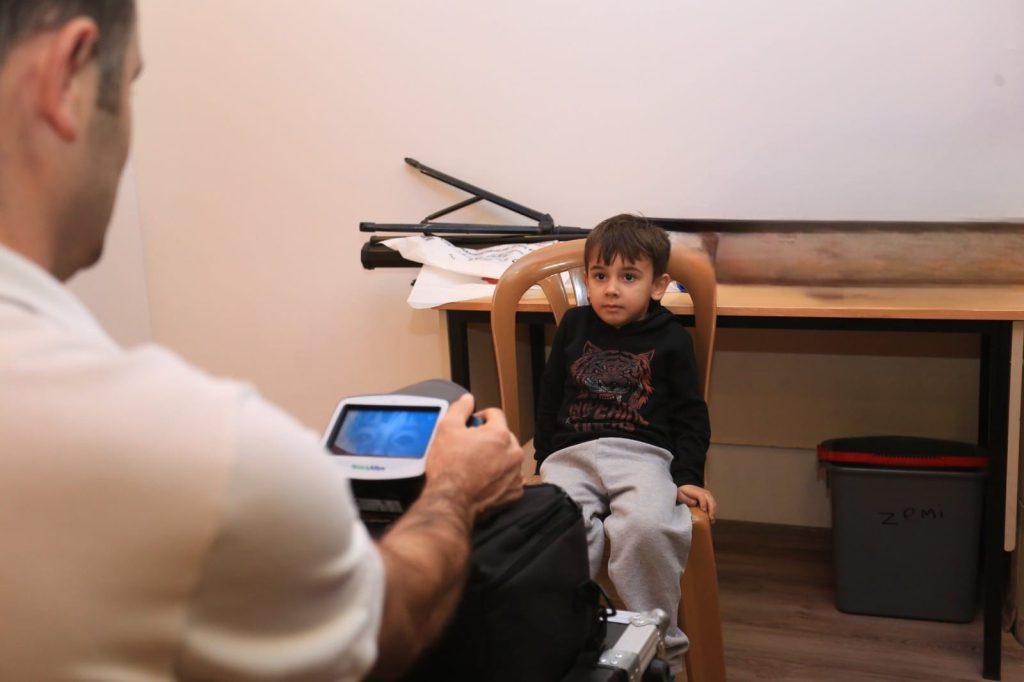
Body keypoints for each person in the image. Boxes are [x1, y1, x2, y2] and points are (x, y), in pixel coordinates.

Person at [0, 1, 523, 679]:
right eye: (129, 88)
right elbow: (385, 625)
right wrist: (455, 489)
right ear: (65, 79)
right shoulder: (208, 454)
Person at [534, 213, 716, 666]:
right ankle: (566, 643)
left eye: (628, 277)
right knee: (561, 530)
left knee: (647, 529)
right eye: (600, 276)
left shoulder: (671, 338)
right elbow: (549, 396)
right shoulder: (573, 326)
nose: (611, 289)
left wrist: (688, 475)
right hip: (570, 456)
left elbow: (691, 414)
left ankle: (657, 649)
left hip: (643, 456)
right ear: (587, 279)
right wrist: (542, 461)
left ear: (658, 285)